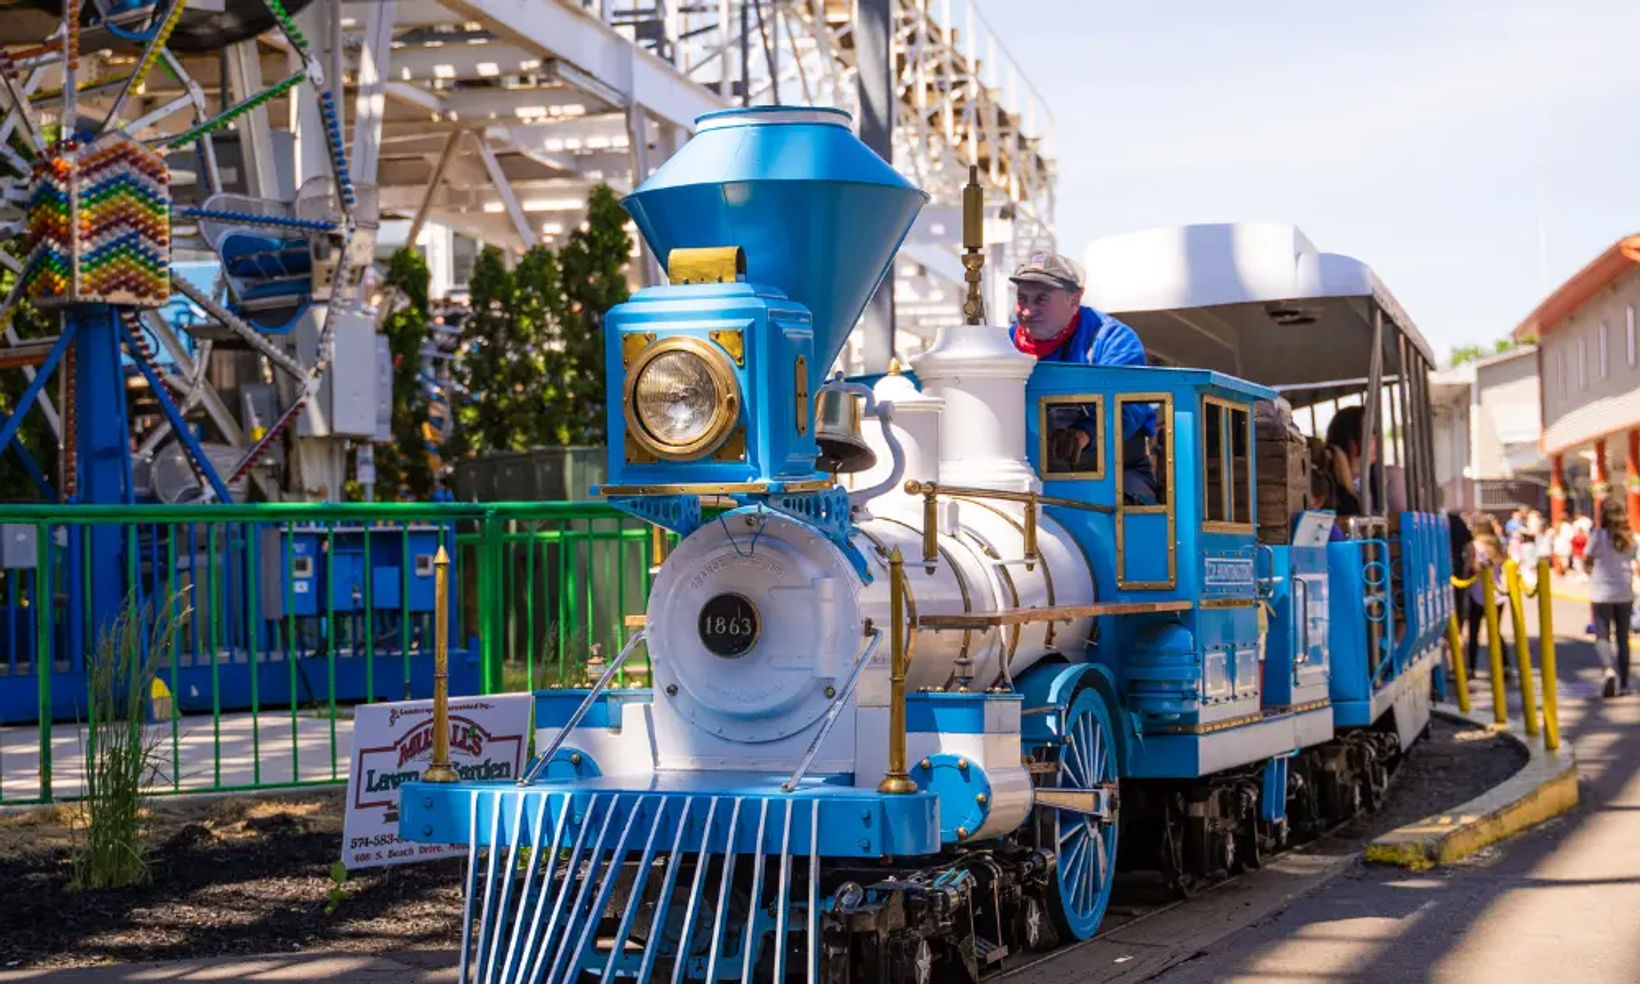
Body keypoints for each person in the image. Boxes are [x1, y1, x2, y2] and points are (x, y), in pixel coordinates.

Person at [1007, 251, 1159, 503]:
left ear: (1075, 299)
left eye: (1041, 299)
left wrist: (1084, 435)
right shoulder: (1004, 347)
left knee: (1136, 516)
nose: (1027, 311)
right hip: (1023, 476)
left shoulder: (1113, 340)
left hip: (1115, 472)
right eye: (1022, 298)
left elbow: (1128, 407)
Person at [1587, 498, 1639, 697]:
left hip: (1601, 593)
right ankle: (1624, 684)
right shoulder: (1630, 537)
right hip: (1624, 592)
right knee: (1623, 639)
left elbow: (1587, 558)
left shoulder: (1598, 536)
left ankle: (1608, 669)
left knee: (1602, 635)